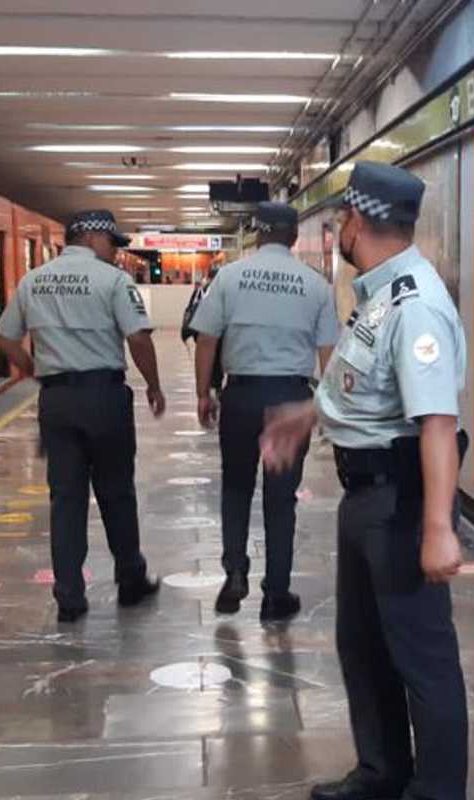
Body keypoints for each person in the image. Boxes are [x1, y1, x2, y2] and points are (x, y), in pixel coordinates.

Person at [261, 162, 468, 800]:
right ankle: (382, 773)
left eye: (341, 222)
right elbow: (364, 386)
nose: (337, 235)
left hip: (399, 500)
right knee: (363, 644)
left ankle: (436, 791)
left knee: (421, 658)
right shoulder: (381, 294)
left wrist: (438, 531)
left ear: (359, 222)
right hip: (366, 496)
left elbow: (436, 422)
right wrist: (309, 415)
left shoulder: (416, 306)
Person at [0, 209, 164, 623]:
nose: (115, 252)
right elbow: (138, 338)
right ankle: (130, 580)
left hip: (57, 401)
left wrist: (36, 372)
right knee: (116, 492)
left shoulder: (33, 280)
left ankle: (69, 596)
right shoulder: (113, 280)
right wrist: (154, 385)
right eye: (112, 243)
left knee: (66, 499)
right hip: (103, 397)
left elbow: (5, 337)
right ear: (91, 238)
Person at [189, 202, 339, 621]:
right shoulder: (316, 285)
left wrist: (204, 393)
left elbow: (206, 340)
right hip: (290, 399)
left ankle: (235, 571)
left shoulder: (229, 277)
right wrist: (323, 411)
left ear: (256, 235)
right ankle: (276, 593)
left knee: (236, 488)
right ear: (293, 237)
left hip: (240, 396)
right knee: (280, 499)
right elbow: (329, 354)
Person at [181, 266, 224, 391]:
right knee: (216, 362)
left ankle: (208, 387)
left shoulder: (200, 290)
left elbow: (189, 309)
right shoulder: (221, 290)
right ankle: (215, 387)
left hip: (199, 330)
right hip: (217, 333)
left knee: (207, 359)